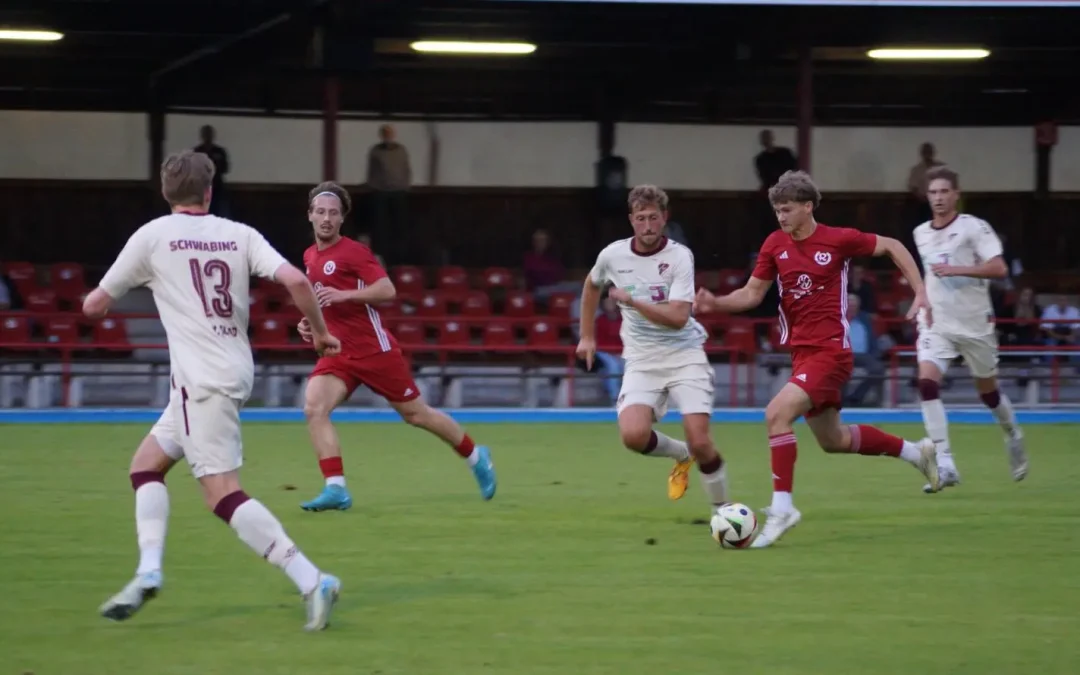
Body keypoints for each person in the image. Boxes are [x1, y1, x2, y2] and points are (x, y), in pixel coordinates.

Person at [86, 151, 342, 630]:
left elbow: (96, 305)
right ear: (209, 191)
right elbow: (295, 279)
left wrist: (100, 299)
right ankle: (147, 572)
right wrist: (321, 332)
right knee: (145, 467)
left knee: (222, 495)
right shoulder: (239, 233)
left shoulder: (153, 235)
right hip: (225, 373)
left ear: (166, 193)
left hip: (202, 383)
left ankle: (312, 579)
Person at [694, 170, 939, 549]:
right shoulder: (775, 244)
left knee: (776, 414)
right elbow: (751, 294)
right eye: (777, 210)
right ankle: (915, 452)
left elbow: (891, 245)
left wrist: (920, 291)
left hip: (831, 352)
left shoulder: (838, 240)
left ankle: (782, 509)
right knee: (834, 439)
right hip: (802, 354)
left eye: (787, 209)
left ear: (808, 207)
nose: (781, 217)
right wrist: (716, 305)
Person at [296, 181, 496, 512]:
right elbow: (322, 302)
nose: (326, 219)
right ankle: (336, 488)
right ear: (310, 216)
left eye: (333, 213)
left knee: (417, 415)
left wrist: (347, 295)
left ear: (342, 218)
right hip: (339, 353)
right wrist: (311, 325)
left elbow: (387, 290)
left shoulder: (355, 252)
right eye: (320, 212)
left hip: (375, 352)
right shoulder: (309, 255)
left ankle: (476, 456)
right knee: (314, 408)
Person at [576, 184, 731, 516]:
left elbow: (677, 318)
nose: (647, 226)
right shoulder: (613, 255)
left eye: (654, 218)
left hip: (684, 354)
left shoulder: (679, 256)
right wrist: (586, 336)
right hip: (642, 358)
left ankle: (724, 513)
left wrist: (633, 301)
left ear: (665, 218)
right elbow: (591, 285)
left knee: (701, 440)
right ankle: (681, 454)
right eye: (641, 218)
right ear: (631, 220)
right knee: (633, 435)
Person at [913, 166, 1028, 491]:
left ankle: (1013, 435)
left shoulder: (974, 228)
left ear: (956, 194)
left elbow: (999, 267)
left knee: (988, 393)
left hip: (975, 324)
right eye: (933, 192)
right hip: (937, 324)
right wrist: (922, 296)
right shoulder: (920, 232)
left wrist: (958, 269)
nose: (938, 198)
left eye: (943, 192)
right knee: (926, 383)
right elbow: (928, 273)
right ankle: (945, 462)